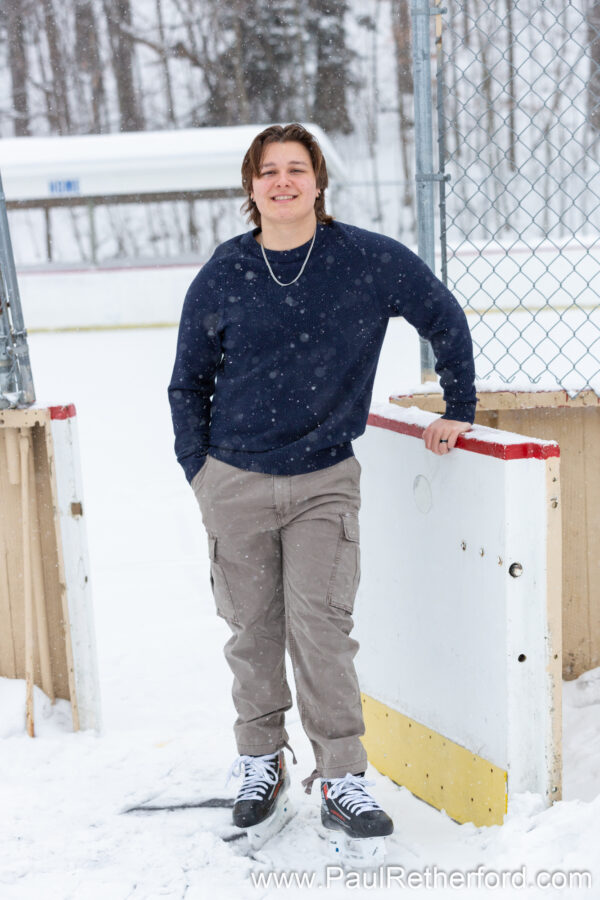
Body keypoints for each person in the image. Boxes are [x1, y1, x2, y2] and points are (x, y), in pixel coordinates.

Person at [168, 123, 476, 852]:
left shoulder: (365, 260)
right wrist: (200, 470)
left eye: (296, 169)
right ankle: (261, 762)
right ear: (251, 187)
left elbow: (443, 315)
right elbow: (188, 382)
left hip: (323, 482)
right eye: (268, 171)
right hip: (234, 482)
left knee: (323, 634)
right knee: (251, 634)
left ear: (317, 182)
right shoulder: (224, 272)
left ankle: (342, 777)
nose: (282, 182)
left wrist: (458, 406)